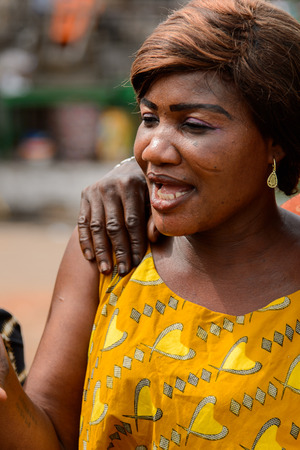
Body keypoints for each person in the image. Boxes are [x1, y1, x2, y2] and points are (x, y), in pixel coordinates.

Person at [1, 0, 300, 448]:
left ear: (275, 140)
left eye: (194, 125)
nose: (153, 149)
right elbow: (51, 436)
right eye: (148, 118)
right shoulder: (111, 249)